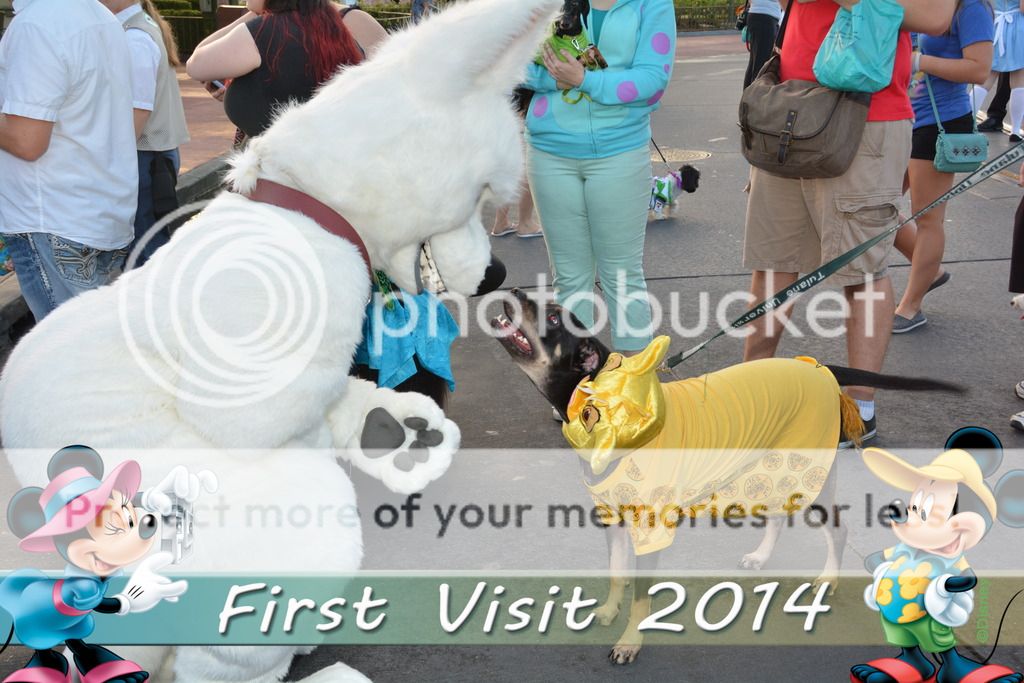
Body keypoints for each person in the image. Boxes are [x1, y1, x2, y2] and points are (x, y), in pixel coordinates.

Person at [741, 0, 956, 447]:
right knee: (771, 262)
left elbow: (936, 15)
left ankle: (859, 410)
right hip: (789, 110)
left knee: (863, 273)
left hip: (865, 118)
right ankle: (750, 394)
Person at [523, 0, 675, 354]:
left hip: (619, 152)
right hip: (550, 153)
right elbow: (514, 65)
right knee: (570, 281)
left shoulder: (653, 4)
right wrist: (563, 79)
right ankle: (579, 397)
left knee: (623, 278)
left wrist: (585, 80)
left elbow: (653, 81)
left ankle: (634, 392)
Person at [0, 0, 137, 323]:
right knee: (92, 345)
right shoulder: (100, 16)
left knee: (73, 359)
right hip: (96, 214)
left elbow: (26, 140)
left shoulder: (38, 24)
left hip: (52, 217)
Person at [892, 0, 993, 333]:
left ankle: (911, 306)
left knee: (927, 217)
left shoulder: (971, 7)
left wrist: (920, 60)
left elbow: (979, 70)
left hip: (940, 120)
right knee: (877, 205)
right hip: (902, 116)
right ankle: (930, 271)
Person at [186, 0, 387, 139]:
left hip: (281, 174)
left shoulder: (264, 31)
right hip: (338, 165)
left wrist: (256, 14)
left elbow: (196, 63)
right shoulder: (345, 21)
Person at [101, 0, 191, 267]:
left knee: (145, 247)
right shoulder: (140, 28)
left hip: (145, 158)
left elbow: (137, 113)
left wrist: (106, 160)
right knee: (149, 243)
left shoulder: (134, 38)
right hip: (152, 155)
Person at [976, 0, 1024, 140]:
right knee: (1019, 80)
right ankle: (1015, 131)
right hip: (1017, 26)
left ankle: (967, 122)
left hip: (996, 25)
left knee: (986, 79)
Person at [743, 0, 785, 89]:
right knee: (761, 65)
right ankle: (754, 98)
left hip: (757, 15)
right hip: (766, 17)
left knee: (755, 62)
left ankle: (748, 97)